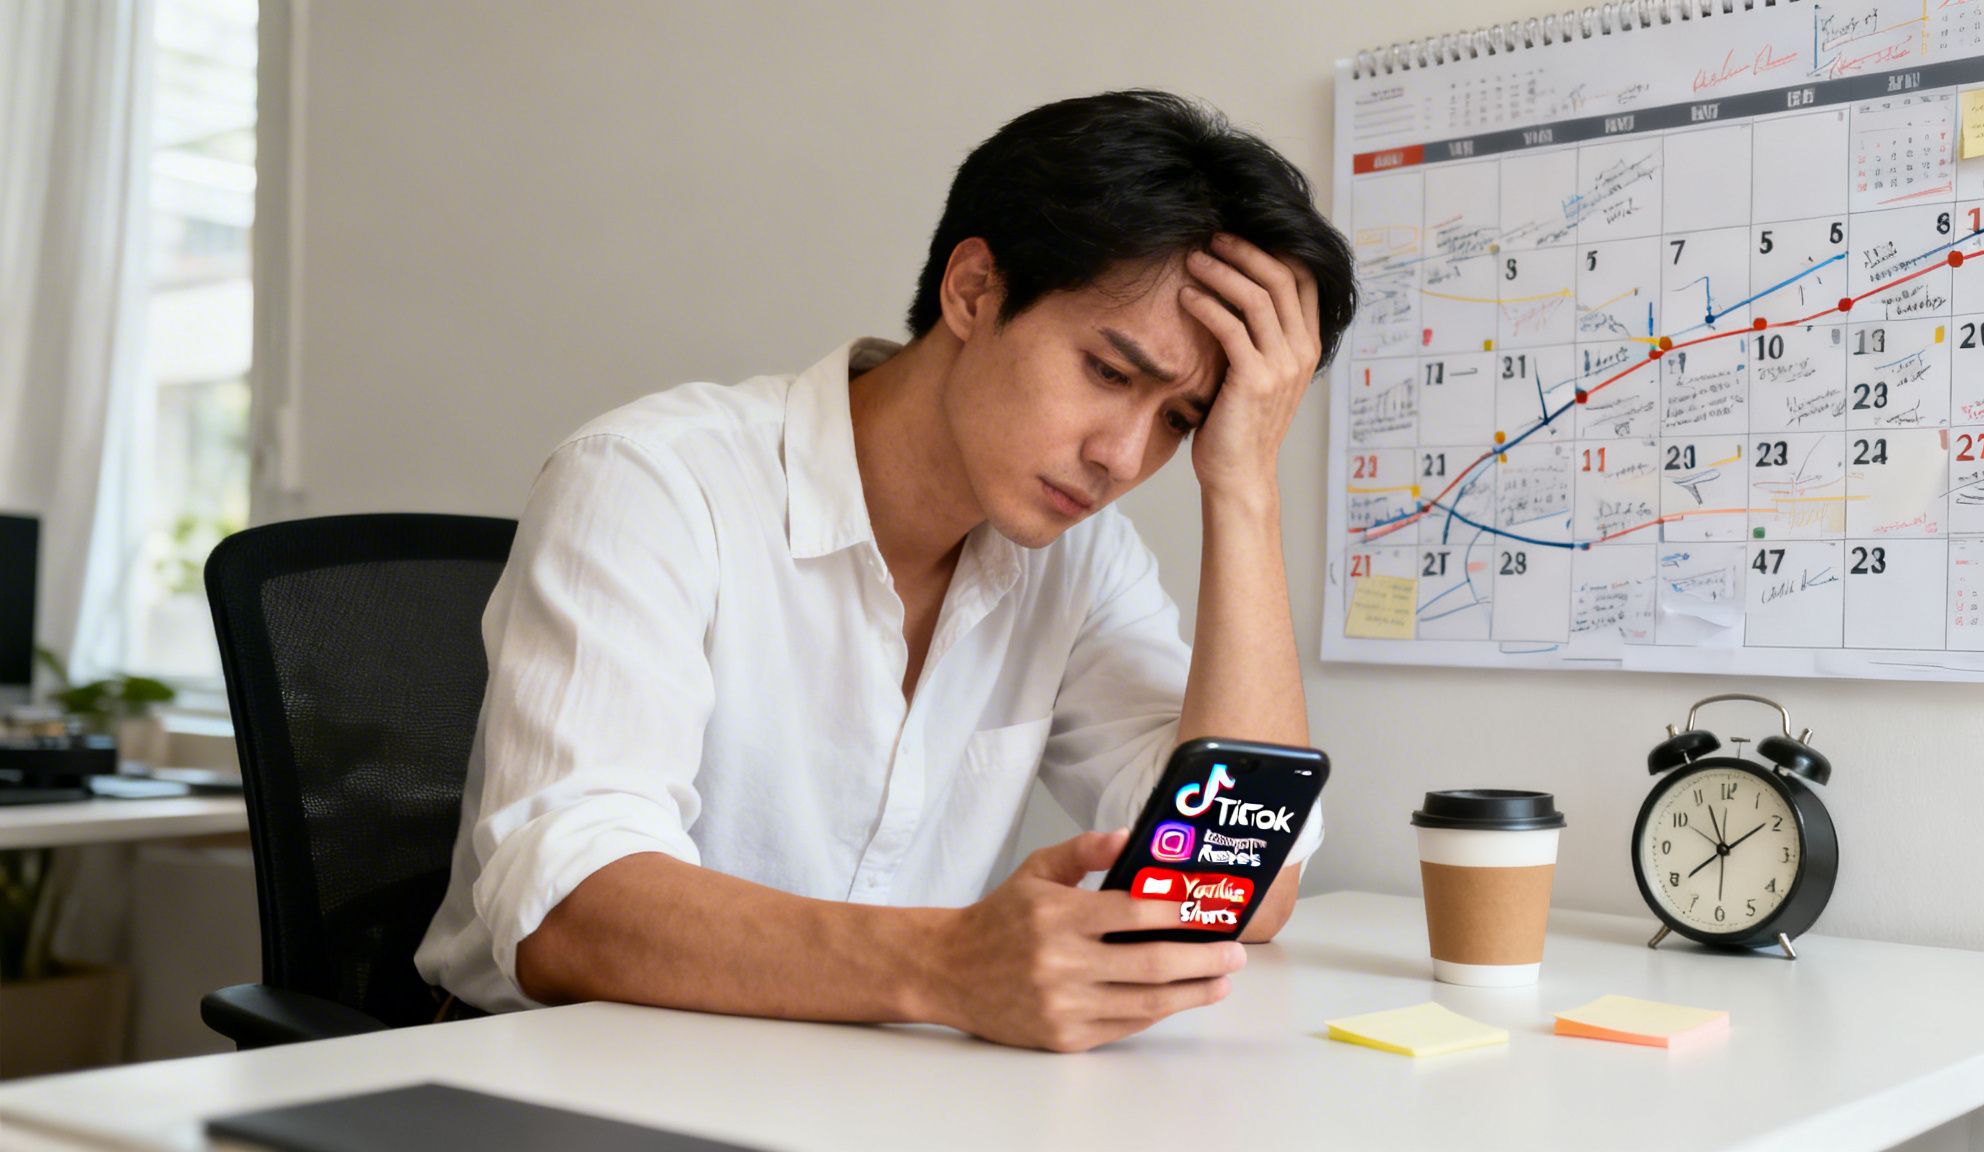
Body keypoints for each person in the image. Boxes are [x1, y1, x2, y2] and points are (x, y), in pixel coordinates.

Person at [416, 89, 1357, 1053]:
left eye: (1179, 420)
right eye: (1110, 374)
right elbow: (569, 908)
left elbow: (1243, 887)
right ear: (975, 291)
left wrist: (1242, 487)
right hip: (546, 1080)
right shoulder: (654, 481)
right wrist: (949, 964)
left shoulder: (1081, 562)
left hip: (856, 1086)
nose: (1122, 456)